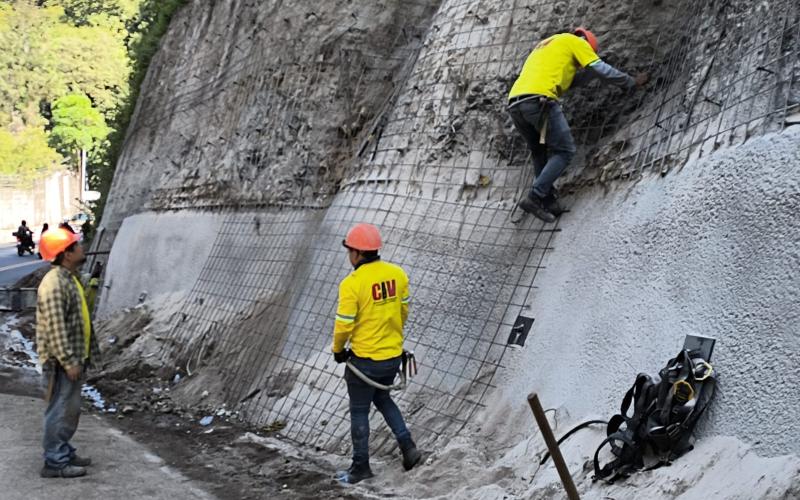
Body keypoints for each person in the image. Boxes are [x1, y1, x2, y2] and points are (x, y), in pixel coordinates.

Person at [507, 27, 649, 222]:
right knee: (565, 151)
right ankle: (534, 196)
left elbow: (570, 81)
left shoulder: (548, 45)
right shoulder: (576, 42)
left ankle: (547, 201)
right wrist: (630, 82)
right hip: (540, 101)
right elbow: (600, 69)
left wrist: (591, 72)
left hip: (516, 104)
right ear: (586, 43)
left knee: (539, 151)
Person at [332, 223, 421, 484]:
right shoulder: (398, 274)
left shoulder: (352, 283)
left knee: (359, 411)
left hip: (364, 362)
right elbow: (403, 312)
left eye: (350, 251)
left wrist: (338, 350)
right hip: (392, 357)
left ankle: (360, 467)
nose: (349, 256)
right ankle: (408, 447)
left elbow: (344, 324)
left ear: (358, 253)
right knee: (383, 399)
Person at [36, 228, 100, 478]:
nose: (81, 248)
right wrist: (68, 360)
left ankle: (62, 450)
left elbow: (82, 311)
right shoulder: (53, 284)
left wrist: (92, 286)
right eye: (76, 246)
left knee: (70, 409)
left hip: (75, 356)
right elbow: (56, 327)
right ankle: (54, 462)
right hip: (62, 361)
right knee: (60, 409)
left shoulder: (69, 277)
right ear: (66, 254)